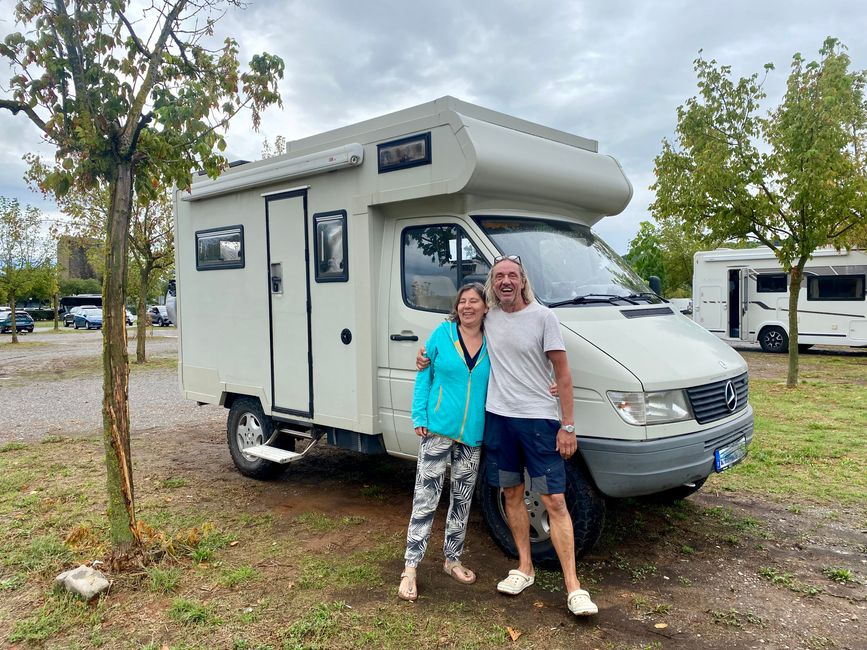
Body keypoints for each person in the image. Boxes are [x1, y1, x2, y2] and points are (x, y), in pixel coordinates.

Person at [417, 255, 597, 616]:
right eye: (499, 276)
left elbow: (562, 373)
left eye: (512, 275)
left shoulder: (545, 317)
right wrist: (425, 356)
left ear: (522, 280)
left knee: (555, 501)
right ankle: (524, 568)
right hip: (498, 419)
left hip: (539, 422)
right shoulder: (491, 317)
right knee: (512, 493)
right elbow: (457, 325)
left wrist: (568, 425)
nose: (505, 281)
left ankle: (574, 587)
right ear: (492, 285)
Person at [398, 282, 491, 602]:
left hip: (472, 436)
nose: (467, 306)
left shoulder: (493, 340)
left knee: (462, 502)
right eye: (462, 301)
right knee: (426, 499)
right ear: (457, 307)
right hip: (437, 430)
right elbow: (424, 374)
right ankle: (410, 567)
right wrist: (419, 416)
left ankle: (452, 560)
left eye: (474, 301)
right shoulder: (442, 333)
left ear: (484, 307)